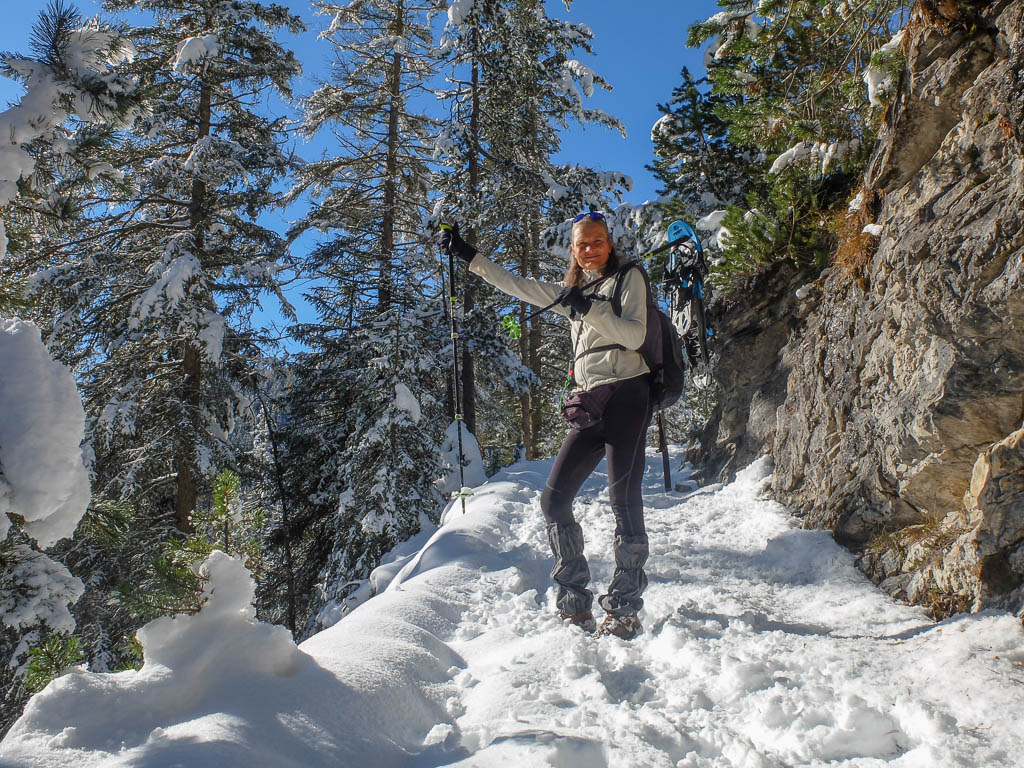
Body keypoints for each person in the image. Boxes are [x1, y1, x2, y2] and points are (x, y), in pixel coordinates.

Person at [436, 212, 653, 640]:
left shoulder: (629, 278)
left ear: (610, 243)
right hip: (590, 402)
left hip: (629, 393)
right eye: (582, 244)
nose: (590, 249)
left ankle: (625, 606)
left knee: (623, 499)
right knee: (553, 502)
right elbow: (517, 284)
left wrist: (587, 307)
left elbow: (634, 337)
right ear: (572, 251)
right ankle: (574, 600)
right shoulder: (572, 291)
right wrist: (467, 255)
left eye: (598, 241)